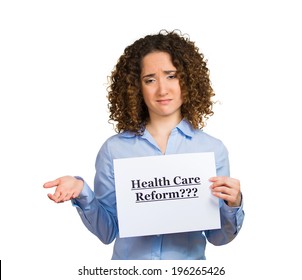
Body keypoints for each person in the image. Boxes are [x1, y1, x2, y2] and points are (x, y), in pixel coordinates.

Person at [43, 30, 244, 260]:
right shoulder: (114, 150)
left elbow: (218, 237)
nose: (162, 89)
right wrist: (82, 192)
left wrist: (233, 203)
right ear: (136, 87)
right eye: (150, 79)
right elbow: (108, 232)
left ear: (187, 80)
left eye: (171, 76)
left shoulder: (213, 150)